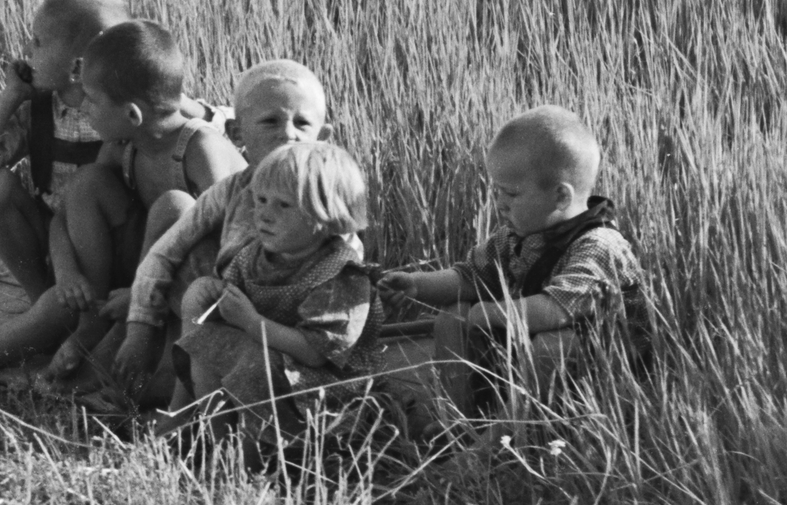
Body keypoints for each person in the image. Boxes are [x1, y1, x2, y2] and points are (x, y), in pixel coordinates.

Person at [0, 20, 244, 371]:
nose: (84, 109)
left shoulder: (200, 148)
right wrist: (69, 273)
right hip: (132, 283)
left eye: (93, 100)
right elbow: (66, 215)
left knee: (176, 207)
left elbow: (230, 244)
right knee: (85, 193)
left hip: (196, 291)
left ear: (132, 114)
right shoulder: (123, 148)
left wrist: (142, 296)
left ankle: (114, 355)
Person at [377, 105, 647, 433]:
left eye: (512, 193)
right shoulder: (517, 235)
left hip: (600, 365)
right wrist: (418, 285)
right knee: (454, 315)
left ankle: (494, 447)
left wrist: (488, 313)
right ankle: (458, 421)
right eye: (497, 191)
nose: (500, 203)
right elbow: (471, 277)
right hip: (529, 349)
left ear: (561, 196)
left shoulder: (599, 246)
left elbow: (553, 311)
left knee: (552, 346)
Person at [107, 60, 340, 404]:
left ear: (322, 138)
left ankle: (184, 407)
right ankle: (183, 406)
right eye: (271, 121)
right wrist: (139, 327)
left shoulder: (327, 202)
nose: (289, 134)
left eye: (302, 123)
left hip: (292, 339)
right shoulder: (231, 192)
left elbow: (347, 271)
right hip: (228, 322)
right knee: (196, 269)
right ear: (236, 134)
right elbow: (164, 252)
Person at [161, 141, 383, 461]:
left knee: (255, 365)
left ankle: (252, 464)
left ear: (324, 213)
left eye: (283, 205)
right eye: (261, 199)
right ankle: (220, 445)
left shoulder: (339, 274)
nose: (263, 213)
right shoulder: (256, 256)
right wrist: (211, 298)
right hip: (268, 358)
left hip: (319, 388)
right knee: (206, 346)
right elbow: (229, 304)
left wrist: (251, 321)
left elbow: (316, 352)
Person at [0, 0, 129, 299]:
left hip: (113, 240)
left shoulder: (122, 112)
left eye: (38, 42)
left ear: (78, 65)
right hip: (54, 238)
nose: (27, 50)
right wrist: (11, 97)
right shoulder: (38, 111)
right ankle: (41, 297)